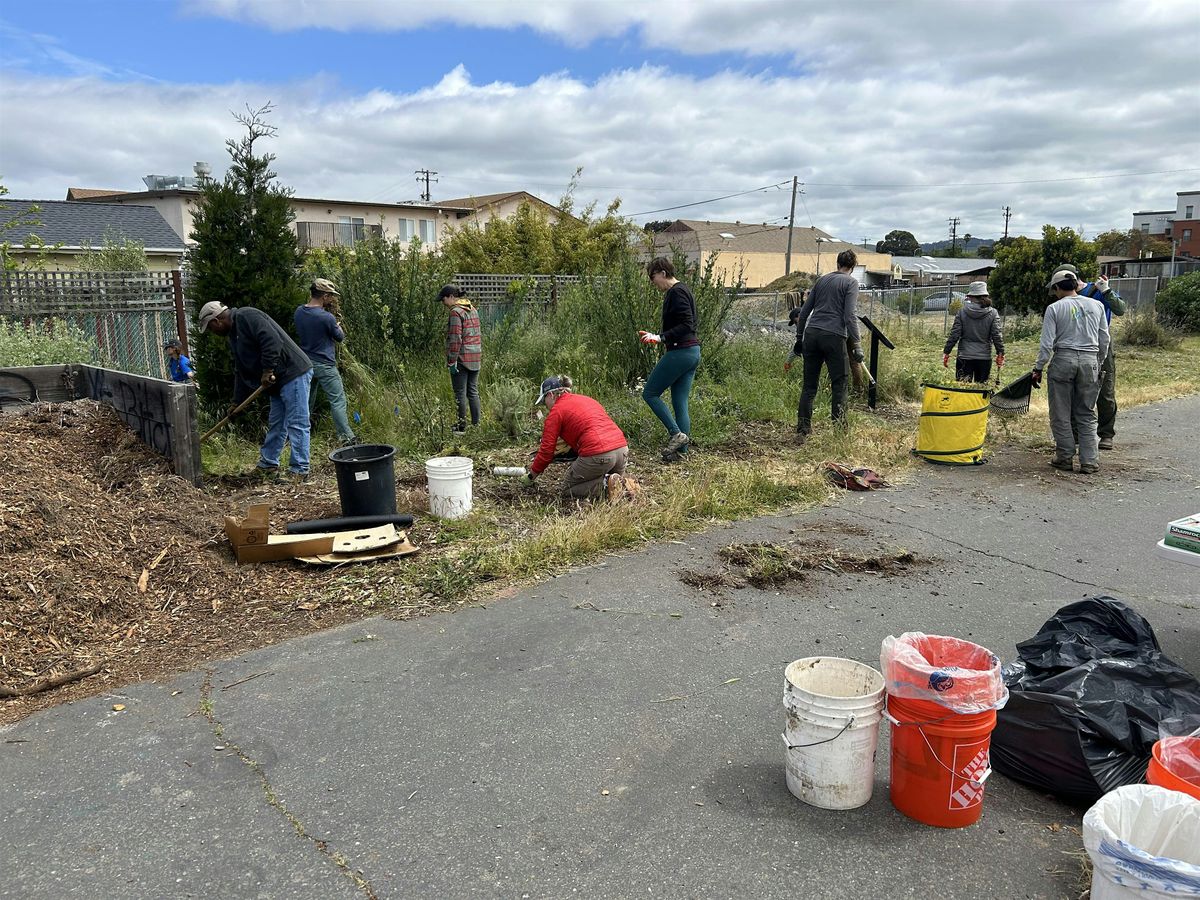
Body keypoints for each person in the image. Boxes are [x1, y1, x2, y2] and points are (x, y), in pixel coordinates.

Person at [198, 300, 314, 478]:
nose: (213, 332)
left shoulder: (247, 316)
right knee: (277, 423)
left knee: (297, 422)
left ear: (217, 321)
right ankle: (268, 464)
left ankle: (299, 470)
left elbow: (271, 340)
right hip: (277, 381)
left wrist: (268, 370)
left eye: (211, 328)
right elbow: (241, 370)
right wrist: (236, 402)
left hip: (292, 372)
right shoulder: (234, 336)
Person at [1031, 270, 1110, 475]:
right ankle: (1089, 461)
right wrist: (1098, 362)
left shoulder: (1055, 308)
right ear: (1075, 285)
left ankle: (1064, 457)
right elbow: (1105, 339)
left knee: (1061, 412)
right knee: (1086, 412)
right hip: (1090, 360)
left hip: (1063, 360)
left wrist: (1038, 368)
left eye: (1054, 290)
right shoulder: (1097, 305)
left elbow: (1047, 344)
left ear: (1057, 287)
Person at [521, 375, 634, 501]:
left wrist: (531, 476)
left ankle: (606, 484)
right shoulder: (587, 400)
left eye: (544, 401)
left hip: (599, 454)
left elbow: (546, 451)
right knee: (613, 480)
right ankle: (625, 484)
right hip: (622, 449)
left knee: (568, 489)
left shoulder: (556, 412)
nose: (545, 406)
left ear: (551, 395)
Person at [1054, 263, 1126, 449]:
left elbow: (1120, 309)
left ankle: (1106, 434)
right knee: (1073, 391)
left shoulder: (1098, 290)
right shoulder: (1067, 296)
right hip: (1074, 345)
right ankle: (1076, 435)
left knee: (1105, 392)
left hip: (1101, 343)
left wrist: (1107, 291)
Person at [793, 249, 863, 440]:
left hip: (812, 334)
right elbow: (849, 315)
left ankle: (803, 430)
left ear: (837, 263)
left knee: (809, 386)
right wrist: (856, 344)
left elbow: (805, 310)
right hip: (834, 336)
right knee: (839, 383)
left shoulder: (822, 280)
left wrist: (799, 338)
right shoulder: (851, 282)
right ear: (853, 266)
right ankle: (839, 432)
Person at [641, 257, 700, 461]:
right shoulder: (684, 290)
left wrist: (661, 337)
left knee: (650, 393)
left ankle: (676, 434)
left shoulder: (676, 292)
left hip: (681, 352)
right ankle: (681, 454)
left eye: (653, 277)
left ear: (663, 273)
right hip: (692, 352)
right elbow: (690, 322)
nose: (652, 282)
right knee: (680, 402)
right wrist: (657, 335)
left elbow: (687, 324)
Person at [295, 277, 357, 446]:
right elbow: (340, 337)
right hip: (325, 364)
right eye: (330, 295)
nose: (332, 299)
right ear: (324, 296)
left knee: (306, 401)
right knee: (337, 400)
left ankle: (299, 436)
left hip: (305, 363)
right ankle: (346, 437)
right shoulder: (326, 317)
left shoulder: (299, 312)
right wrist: (338, 326)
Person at [439, 284, 482, 432]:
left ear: (451, 297)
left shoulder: (455, 313)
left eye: (443, 300)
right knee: (473, 391)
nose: (443, 304)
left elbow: (455, 339)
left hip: (462, 358)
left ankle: (461, 426)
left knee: (460, 393)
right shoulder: (473, 309)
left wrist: (451, 361)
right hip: (476, 356)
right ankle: (477, 426)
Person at [942, 281, 1005, 383]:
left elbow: (954, 335)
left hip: (964, 356)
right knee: (981, 391)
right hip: (984, 358)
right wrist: (1000, 353)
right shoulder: (993, 313)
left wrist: (947, 352)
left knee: (962, 390)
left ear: (970, 296)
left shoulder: (962, 312)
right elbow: (997, 336)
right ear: (985, 295)